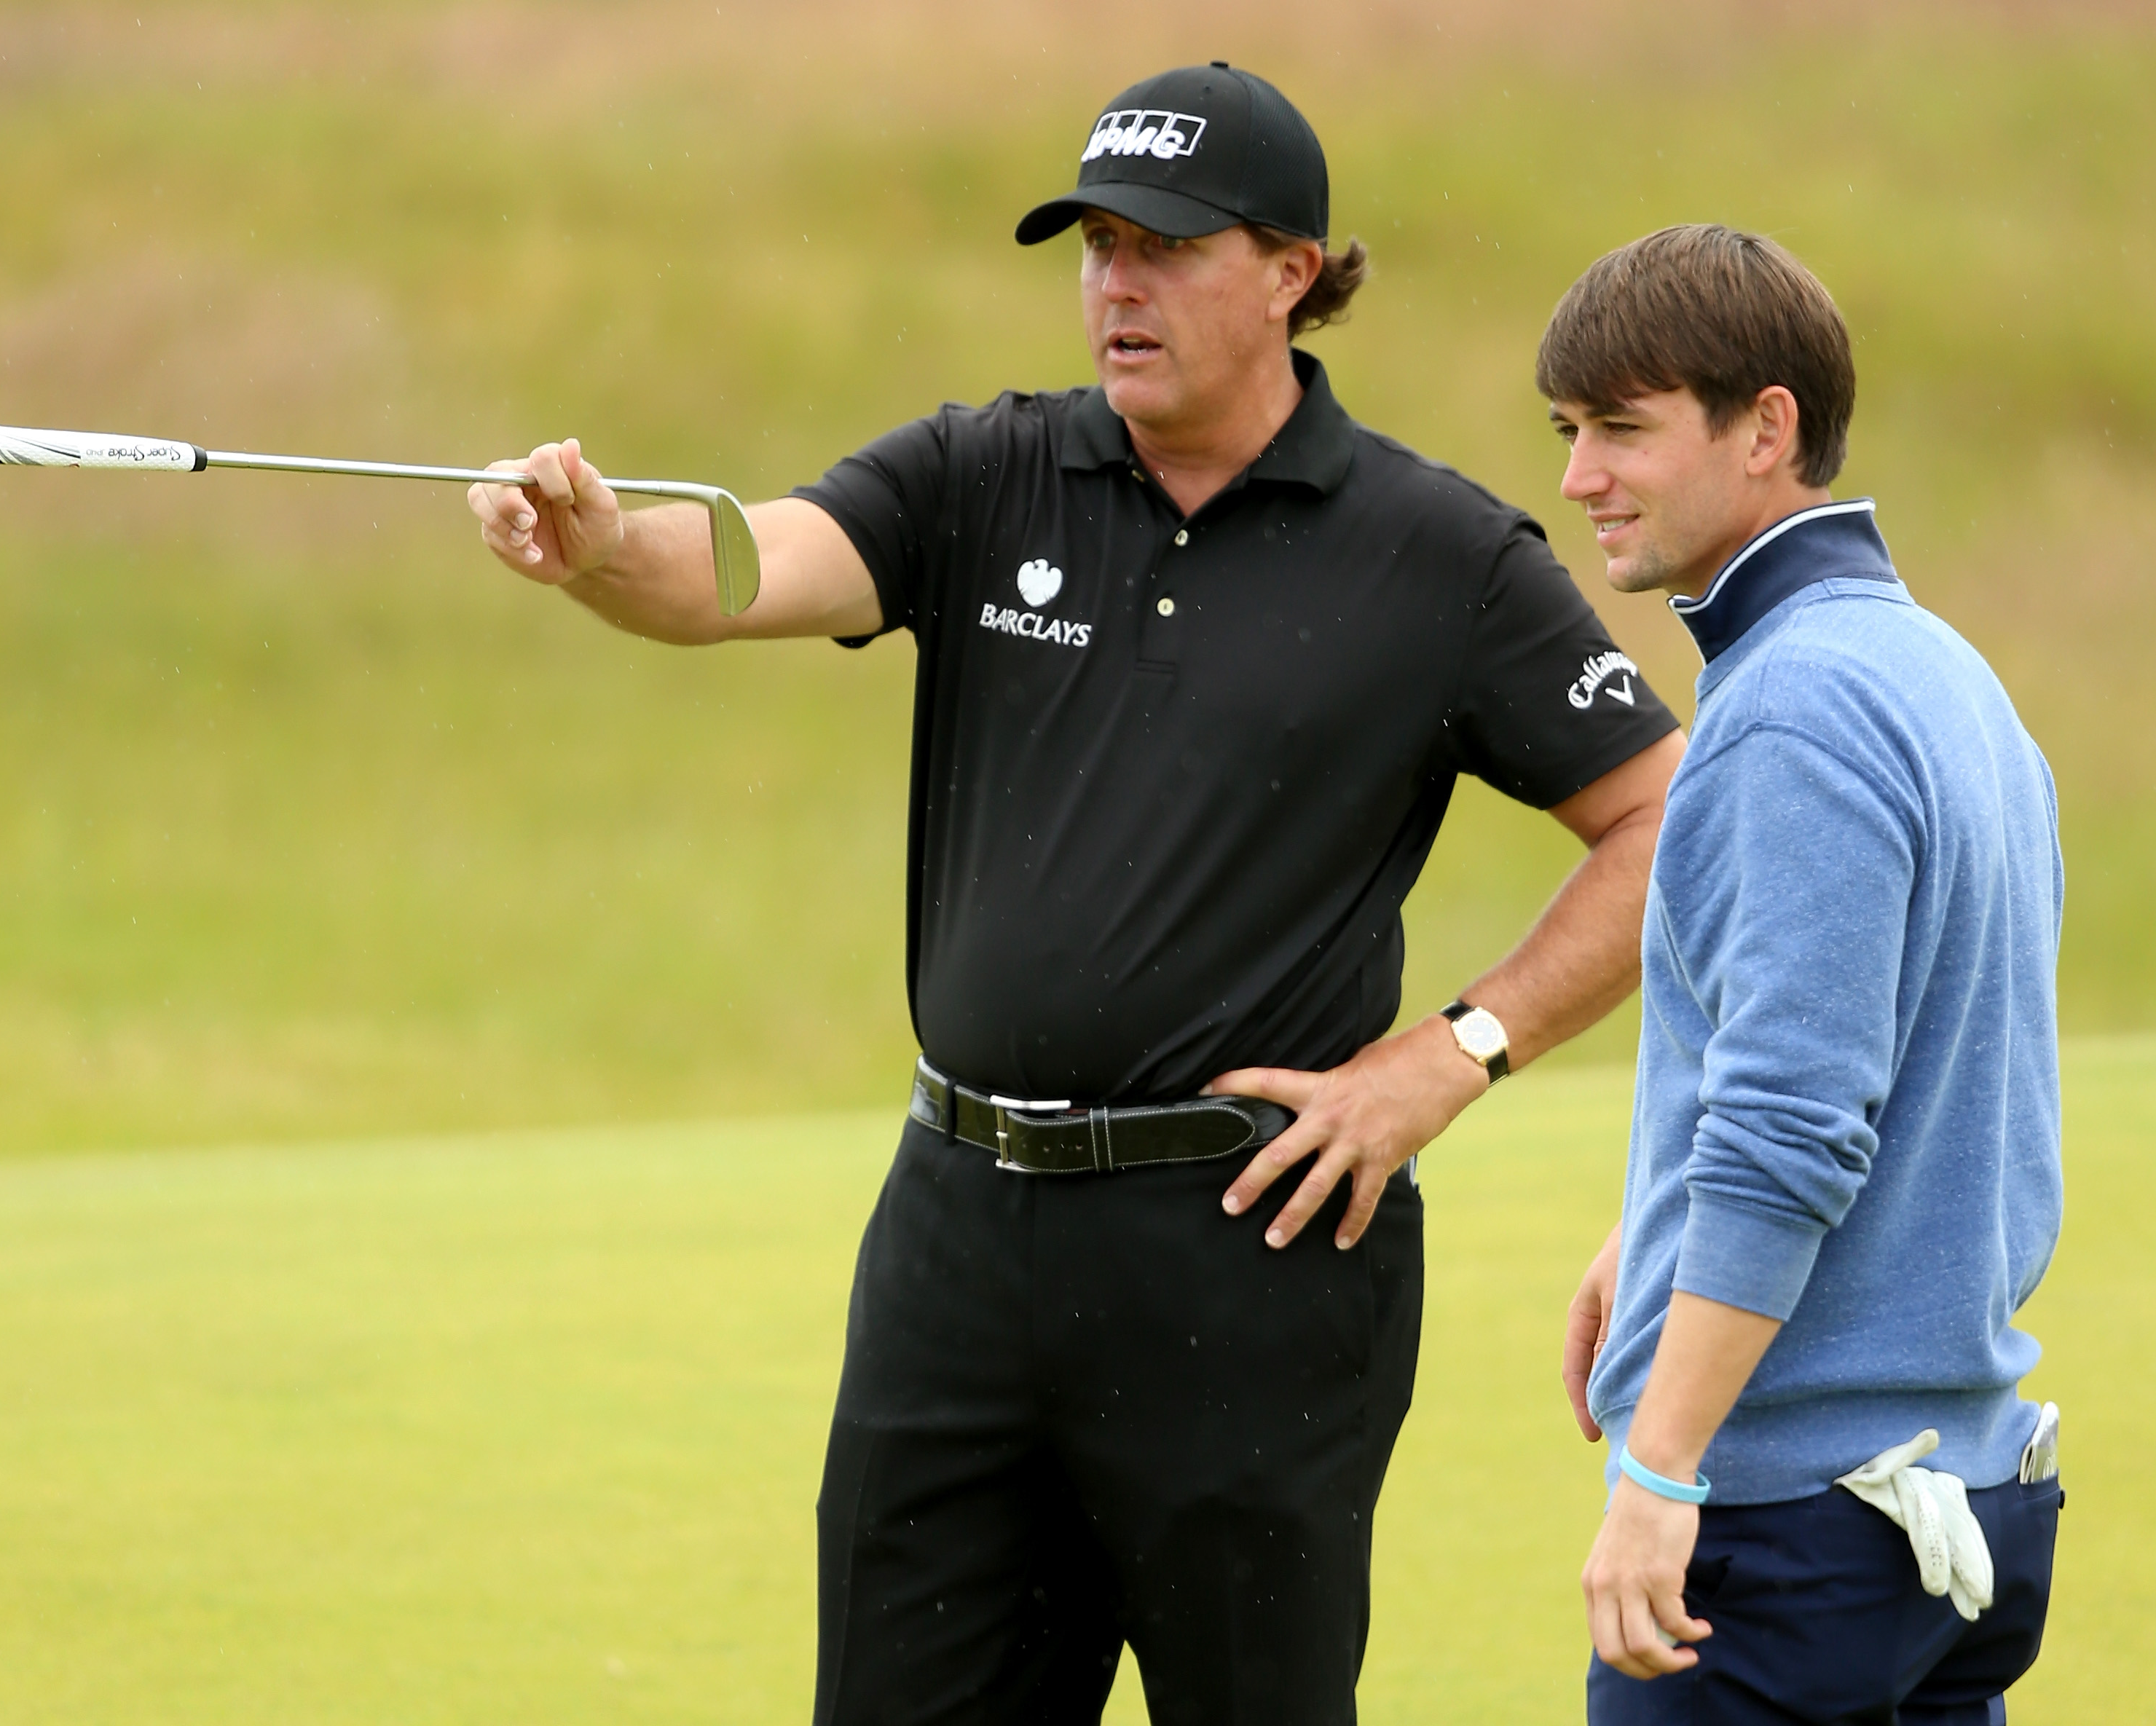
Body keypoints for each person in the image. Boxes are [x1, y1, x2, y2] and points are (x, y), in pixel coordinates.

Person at [471, 64, 1683, 1725]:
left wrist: (1449, 1056)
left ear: (1291, 271)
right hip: (960, 1248)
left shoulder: (1438, 556)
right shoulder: (983, 474)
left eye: (1166, 246)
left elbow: (1666, 823)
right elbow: (747, 570)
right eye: (1098, 243)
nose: (1118, 283)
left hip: (1249, 1256)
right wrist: (607, 548)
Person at [1541, 224, 2065, 1725]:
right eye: (1570, 433)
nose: (1580, 478)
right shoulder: (1941, 671)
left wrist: (1656, 1470)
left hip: (1789, 1537)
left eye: (1622, 430)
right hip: (1950, 1510)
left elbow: (1793, 1130)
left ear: (1767, 430)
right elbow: (1897, 1063)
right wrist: (1660, 1229)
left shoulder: (1792, 712)